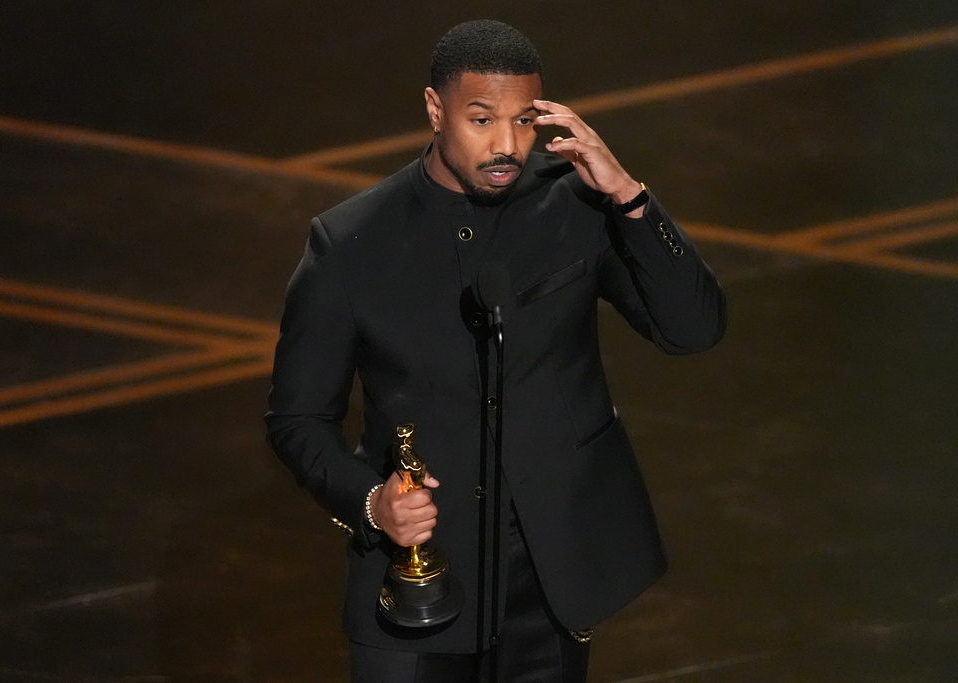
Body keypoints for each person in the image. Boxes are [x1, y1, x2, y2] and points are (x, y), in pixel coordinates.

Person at [266, 19, 726, 683]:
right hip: (418, 585)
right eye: (481, 120)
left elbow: (693, 328)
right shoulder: (350, 247)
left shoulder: (574, 205)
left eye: (523, 121)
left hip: (549, 581)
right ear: (434, 109)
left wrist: (628, 195)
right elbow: (296, 418)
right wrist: (372, 503)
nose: (505, 144)